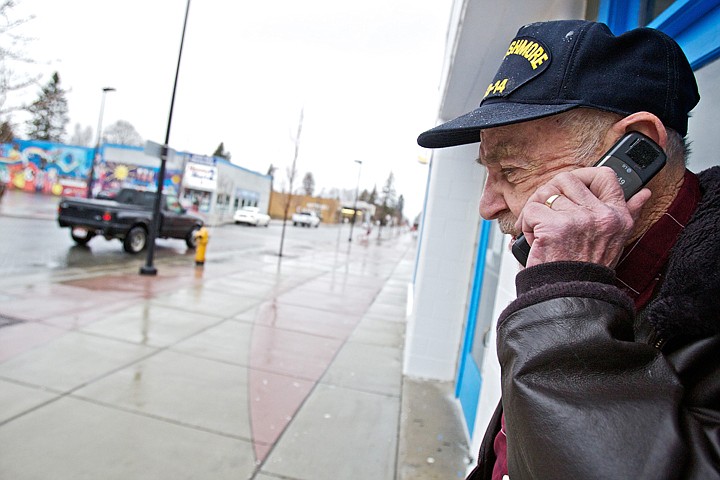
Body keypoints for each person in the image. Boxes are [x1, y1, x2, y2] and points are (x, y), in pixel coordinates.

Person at [417, 20, 719, 479]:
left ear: (635, 150)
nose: (486, 205)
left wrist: (567, 301)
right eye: (487, 170)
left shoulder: (573, 277)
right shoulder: (584, 265)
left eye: (512, 170)